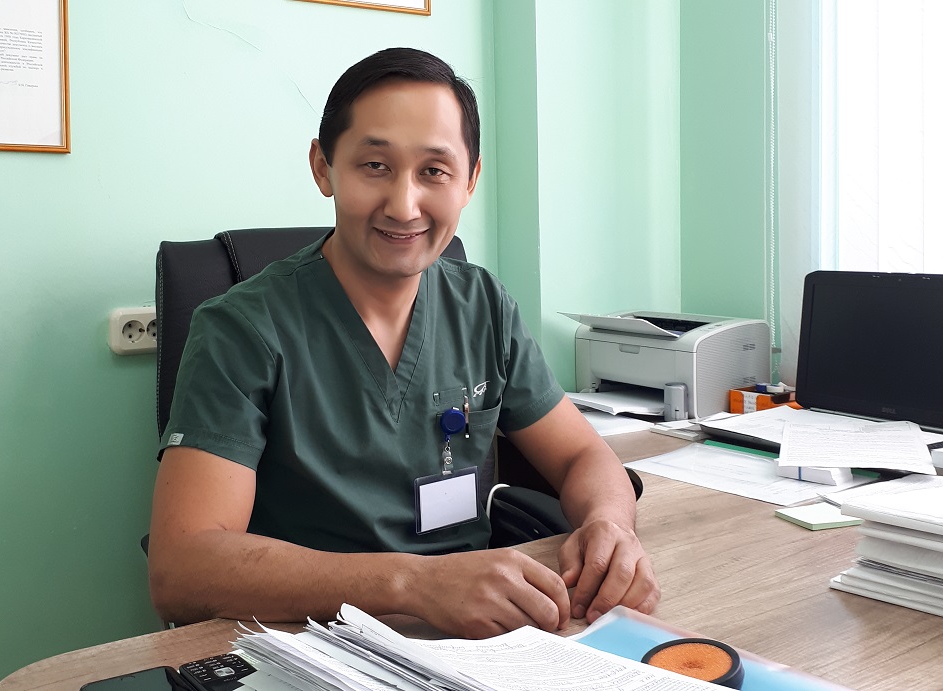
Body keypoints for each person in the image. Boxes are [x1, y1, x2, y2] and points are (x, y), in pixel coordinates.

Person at [148, 47, 659, 638]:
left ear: (470, 180)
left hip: (479, 636)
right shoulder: (242, 329)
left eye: (434, 171)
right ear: (323, 168)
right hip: (311, 644)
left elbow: (581, 456)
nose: (404, 205)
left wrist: (610, 525)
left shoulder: (483, 306)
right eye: (375, 166)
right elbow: (182, 567)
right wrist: (412, 584)